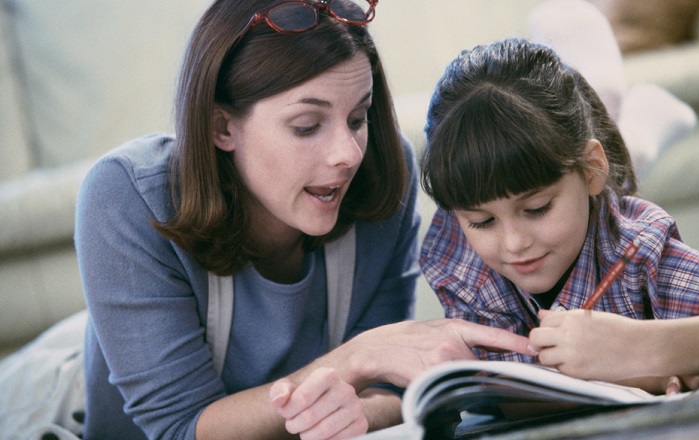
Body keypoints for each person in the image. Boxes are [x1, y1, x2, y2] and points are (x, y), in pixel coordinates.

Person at [74, 1, 533, 439]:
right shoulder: (126, 196)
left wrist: (366, 405)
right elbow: (178, 429)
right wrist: (355, 360)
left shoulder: (381, 167)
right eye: (307, 126)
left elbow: (389, 388)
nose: (347, 155)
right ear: (222, 127)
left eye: (358, 117)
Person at [419, 37, 699, 395]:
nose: (514, 243)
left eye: (537, 208)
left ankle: (631, 119)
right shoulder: (460, 254)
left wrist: (651, 347)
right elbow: (502, 394)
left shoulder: (637, 248)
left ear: (590, 170)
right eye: (482, 221)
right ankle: (629, 123)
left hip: (602, 195)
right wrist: (643, 377)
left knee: (618, 183)